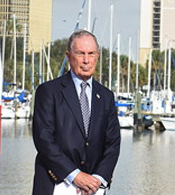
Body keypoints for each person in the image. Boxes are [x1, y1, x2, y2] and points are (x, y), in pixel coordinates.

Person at [32, 30, 120, 195]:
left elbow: (113, 144)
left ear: (98, 56)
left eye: (91, 54)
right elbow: (44, 139)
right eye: (80, 54)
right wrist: (75, 176)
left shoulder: (106, 96)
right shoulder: (48, 91)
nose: (86, 60)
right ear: (68, 56)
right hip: (57, 184)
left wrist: (98, 179)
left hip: (94, 188)